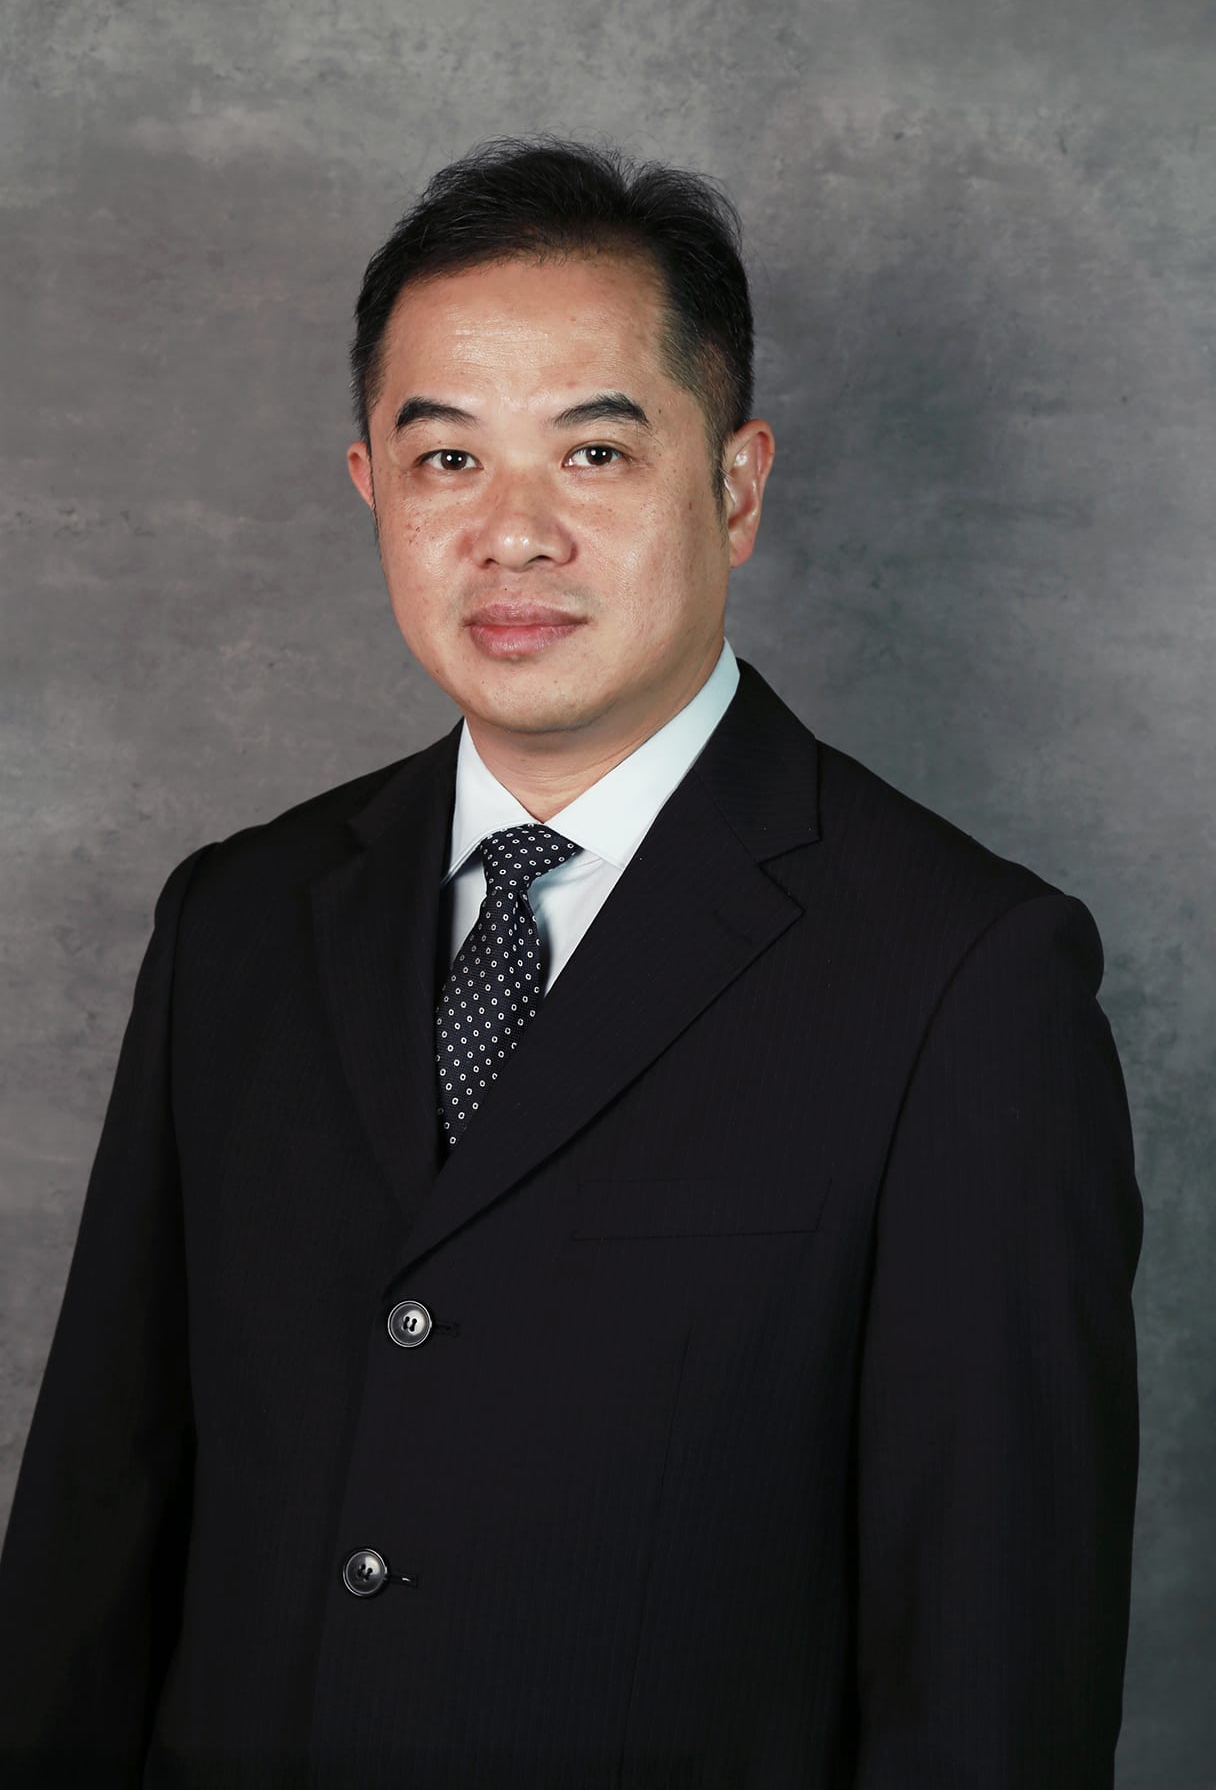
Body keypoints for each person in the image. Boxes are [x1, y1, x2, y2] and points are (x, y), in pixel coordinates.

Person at [0, 136, 1142, 1789]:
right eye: (447, 459)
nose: (512, 534)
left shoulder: (965, 978)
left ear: (735, 486)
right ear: (371, 488)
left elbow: (993, 1680)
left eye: (593, 452)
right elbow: (93, 1538)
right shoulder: (238, 921)